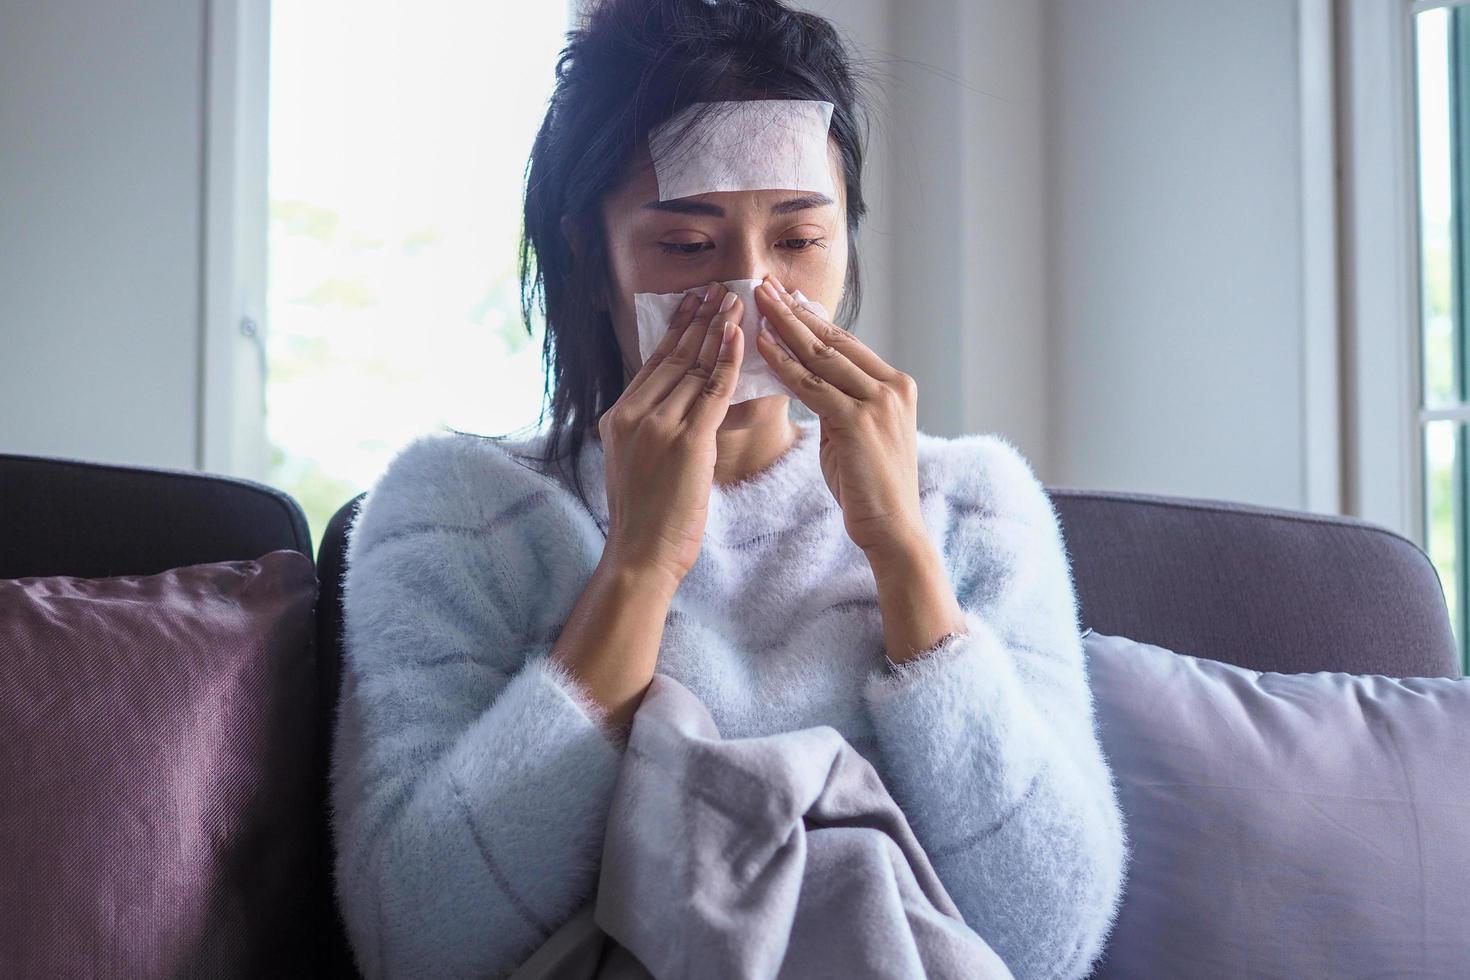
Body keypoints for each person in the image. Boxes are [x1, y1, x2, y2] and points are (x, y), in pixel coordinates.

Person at [328, 0, 1129, 977]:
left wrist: (902, 551)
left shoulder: (975, 505)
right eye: (687, 247)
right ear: (590, 257)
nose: (752, 304)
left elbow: (1054, 937)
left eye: (797, 241)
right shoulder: (456, 510)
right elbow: (417, 937)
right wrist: (637, 568)